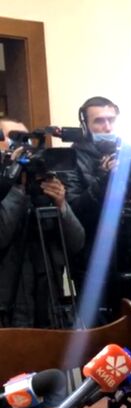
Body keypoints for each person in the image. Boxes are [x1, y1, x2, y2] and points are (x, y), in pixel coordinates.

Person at [65, 96, 131, 326]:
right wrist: (103, 179)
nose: (107, 127)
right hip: (90, 259)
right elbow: (74, 211)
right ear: (85, 125)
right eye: (99, 121)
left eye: (111, 120)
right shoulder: (72, 158)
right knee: (97, 333)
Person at [0, 117, 85, 328]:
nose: (24, 147)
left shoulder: (44, 185)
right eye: (15, 140)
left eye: (27, 140)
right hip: (8, 309)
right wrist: (17, 189)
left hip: (50, 304)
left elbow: (77, 242)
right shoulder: (7, 190)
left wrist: (61, 204)